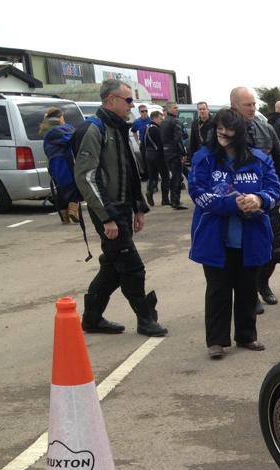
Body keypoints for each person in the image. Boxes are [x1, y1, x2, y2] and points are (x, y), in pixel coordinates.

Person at [74, 79, 166, 337]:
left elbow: (130, 171)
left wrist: (138, 207)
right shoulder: (94, 129)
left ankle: (92, 318)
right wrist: (107, 218)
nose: (132, 105)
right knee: (132, 266)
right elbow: (86, 177)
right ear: (111, 100)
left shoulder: (118, 128)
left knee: (114, 267)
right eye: (128, 100)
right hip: (108, 211)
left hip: (123, 209)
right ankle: (145, 319)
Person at [188, 109, 280, 359]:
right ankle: (216, 342)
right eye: (219, 128)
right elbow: (197, 192)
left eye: (228, 129)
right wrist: (233, 204)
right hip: (215, 238)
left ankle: (246, 336)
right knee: (217, 290)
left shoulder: (259, 159)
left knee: (247, 288)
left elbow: (274, 189)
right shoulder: (204, 159)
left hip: (250, 237)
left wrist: (258, 199)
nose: (222, 133)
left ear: (239, 132)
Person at [229, 86, 280, 310]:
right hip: (241, 205)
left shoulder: (266, 128)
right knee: (247, 253)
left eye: (254, 104)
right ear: (234, 106)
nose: (252, 108)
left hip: (268, 199)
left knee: (276, 251)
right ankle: (249, 294)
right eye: (247, 105)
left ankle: (262, 283)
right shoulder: (225, 132)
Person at [40, 107, 80, 224]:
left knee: (60, 189)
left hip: (54, 163)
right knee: (72, 186)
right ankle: (73, 210)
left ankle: (64, 216)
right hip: (63, 162)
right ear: (59, 117)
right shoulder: (59, 130)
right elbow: (72, 137)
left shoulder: (47, 130)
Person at [161, 102, 188, 210]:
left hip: (166, 152)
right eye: (174, 108)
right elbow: (178, 139)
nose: (177, 109)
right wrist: (183, 153)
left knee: (174, 177)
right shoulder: (175, 121)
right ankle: (175, 202)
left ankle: (173, 200)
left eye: (177, 107)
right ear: (168, 109)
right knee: (176, 177)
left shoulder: (163, 122)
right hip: (174, 153)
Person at [144, 110, 169, 207]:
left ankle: (149, 191)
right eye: (160, 118)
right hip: (158, 154)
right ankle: (165, 199)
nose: (162, 120)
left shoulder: (147, 127)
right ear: (154, 118)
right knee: (165, 176)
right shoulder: (155, 129)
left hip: (149, 154)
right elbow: (161, 143)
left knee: (152, 176)